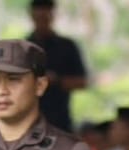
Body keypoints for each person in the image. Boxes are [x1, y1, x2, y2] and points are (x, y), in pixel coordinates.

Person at [26, 0, 88, 133]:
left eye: (46, 18)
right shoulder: (22, 48)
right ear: (32, 16)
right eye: (39, 18)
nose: (42, 22)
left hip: (60, 122)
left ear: (53, 16)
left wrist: (56, 80)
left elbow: (82, 82)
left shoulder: (67, 46)